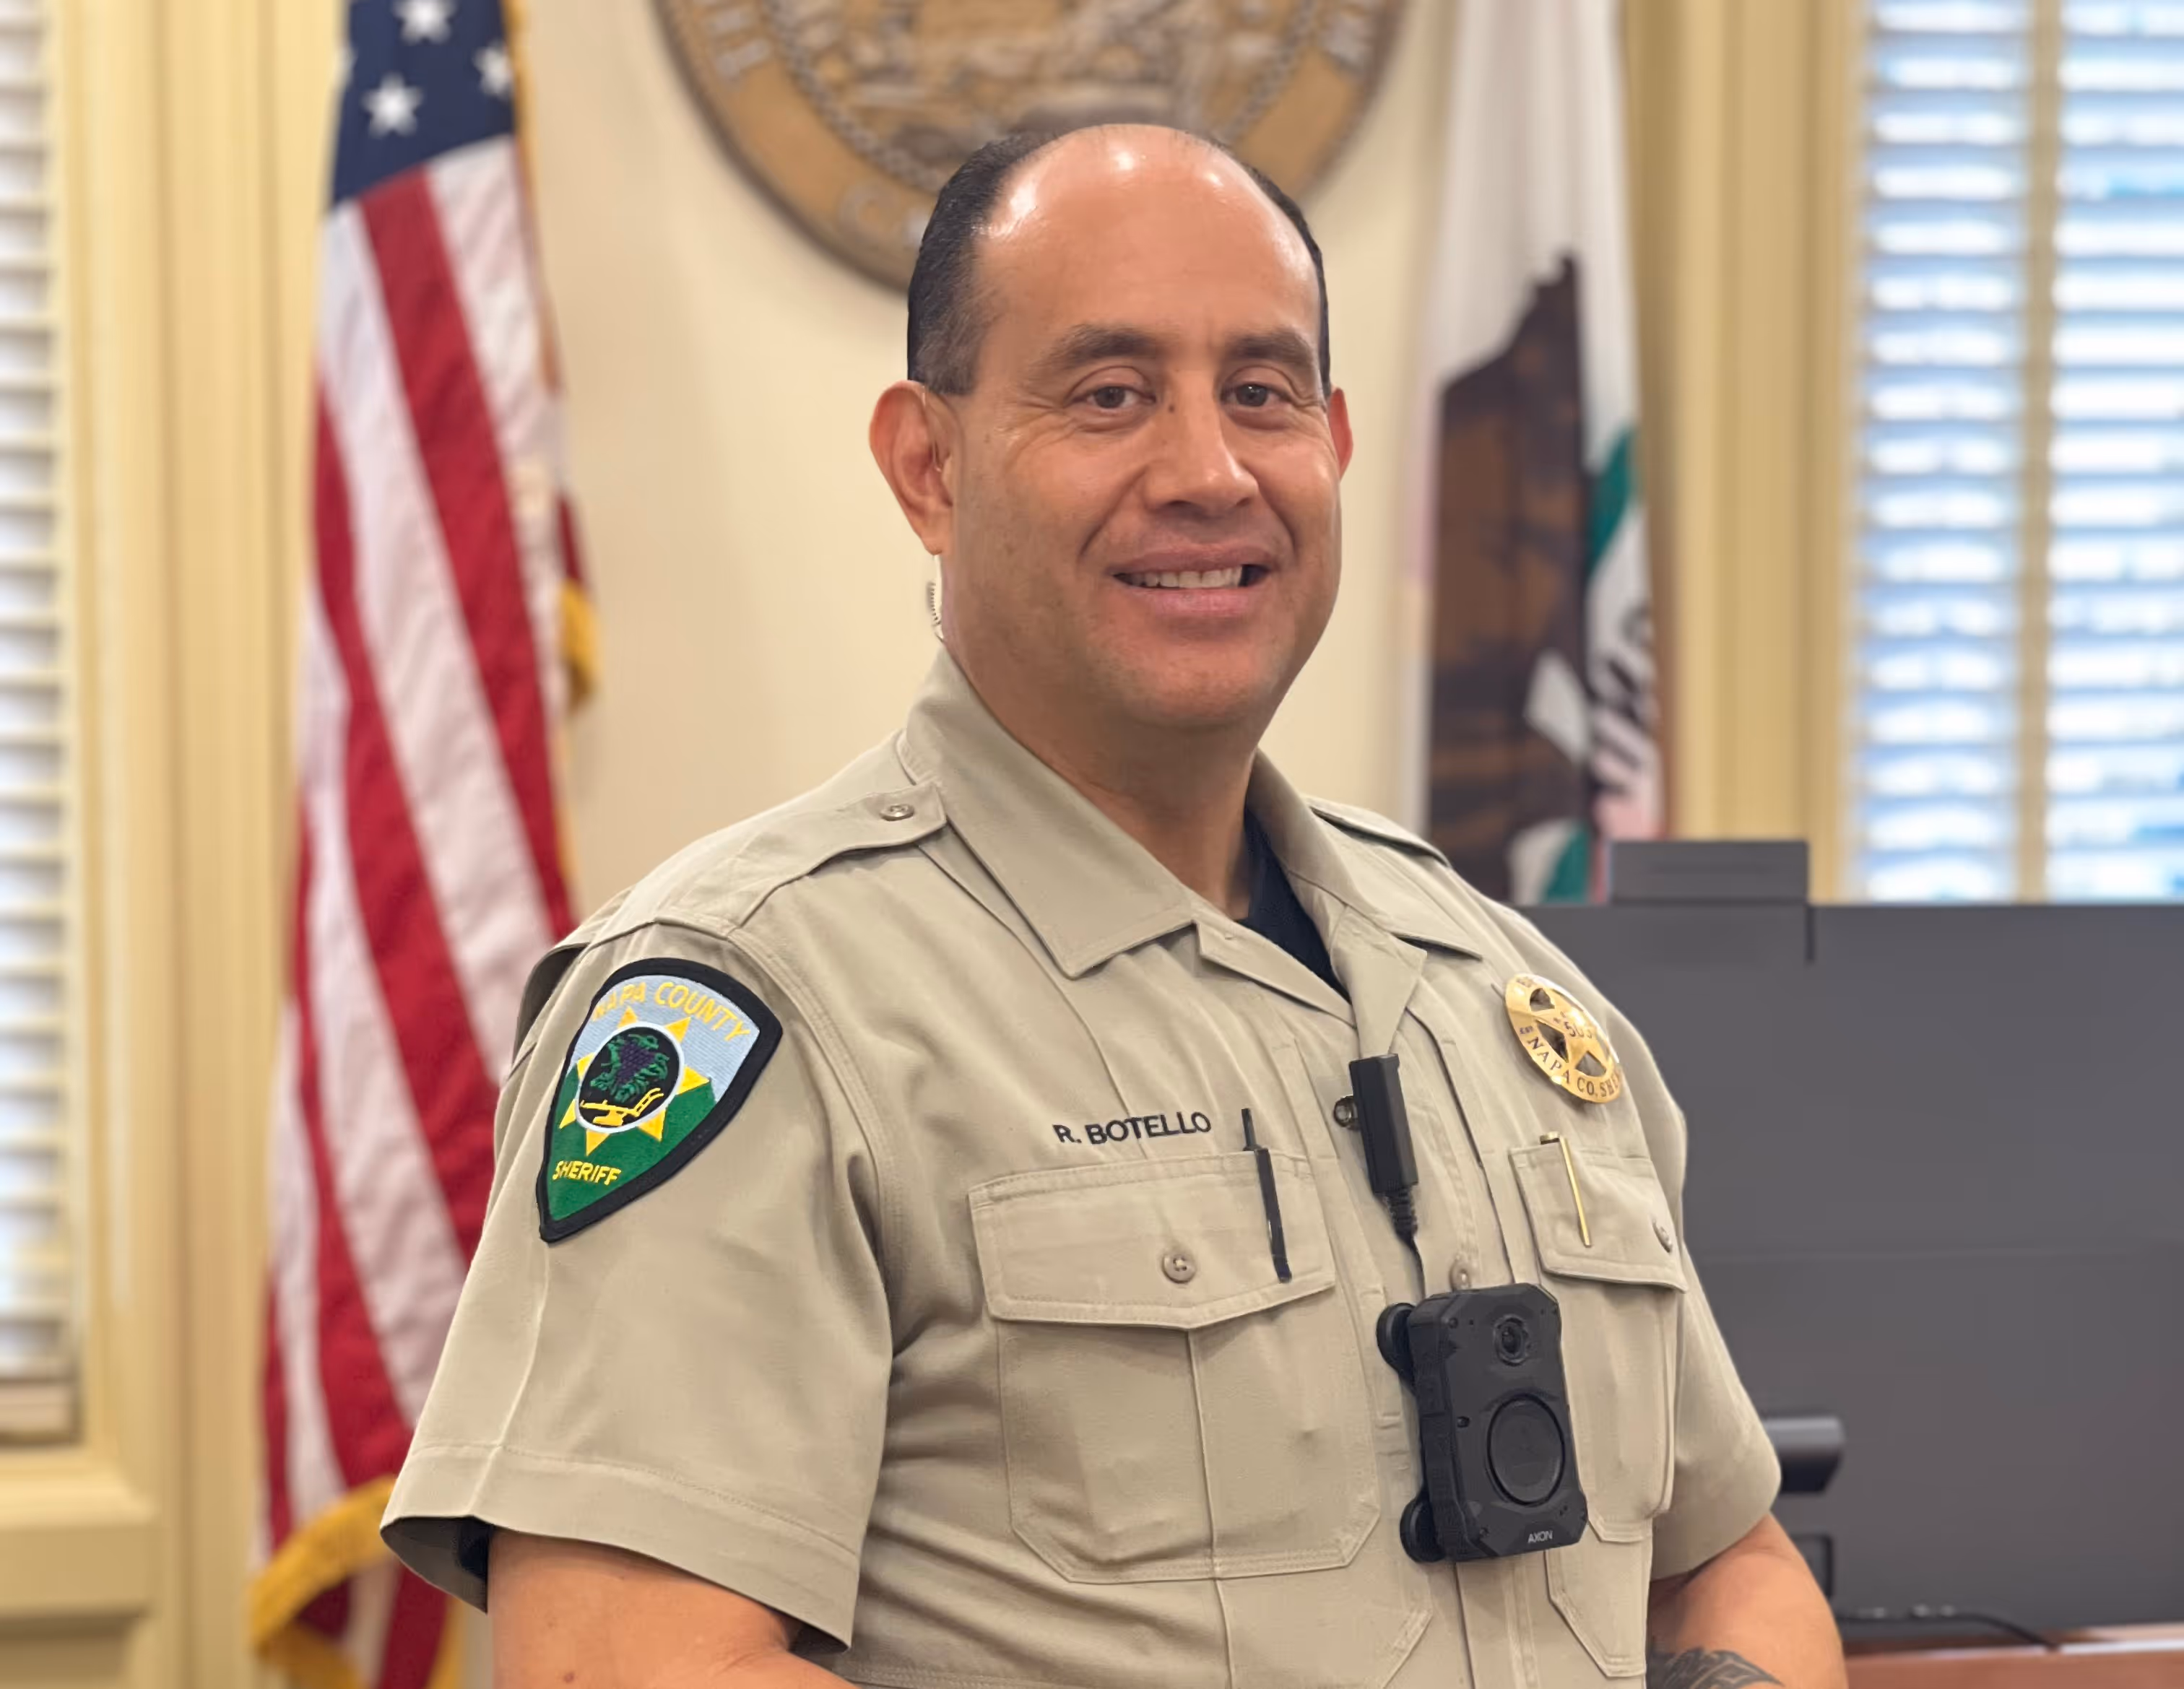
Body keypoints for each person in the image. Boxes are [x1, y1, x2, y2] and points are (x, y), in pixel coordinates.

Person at [382, 124, 1846, 1689]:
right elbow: (613, 1661)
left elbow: (1728, 1557)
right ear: (926, 465)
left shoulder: (1504, 999)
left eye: (1263, 392)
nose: (1209, 471)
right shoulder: (757, 1004)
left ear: (1337, 444)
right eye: (1109, 393)